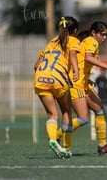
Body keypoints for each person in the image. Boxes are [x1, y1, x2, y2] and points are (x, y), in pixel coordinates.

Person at [57, 21, 107, 155]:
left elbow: (82, 62)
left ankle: (103, 145)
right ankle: (56, 136)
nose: (104, 38)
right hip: (76, 84)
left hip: (83, 83)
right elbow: (88, 57)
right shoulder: (92, 41)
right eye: (102, 34)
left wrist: (87, 78)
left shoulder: (87, 42)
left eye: (106, 35)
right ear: (93, 33)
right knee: (83, 118)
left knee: (99, 110)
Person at [33, 16, 80, 158]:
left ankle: (53, 139)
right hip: (58, 78)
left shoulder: (51, 42)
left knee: (52, 115)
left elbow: (36, 65)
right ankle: (66, 147)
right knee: (66, 112)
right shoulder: (73, 40)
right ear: (75, 31)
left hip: (40, 78)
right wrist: (76, 70)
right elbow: (72, 54)